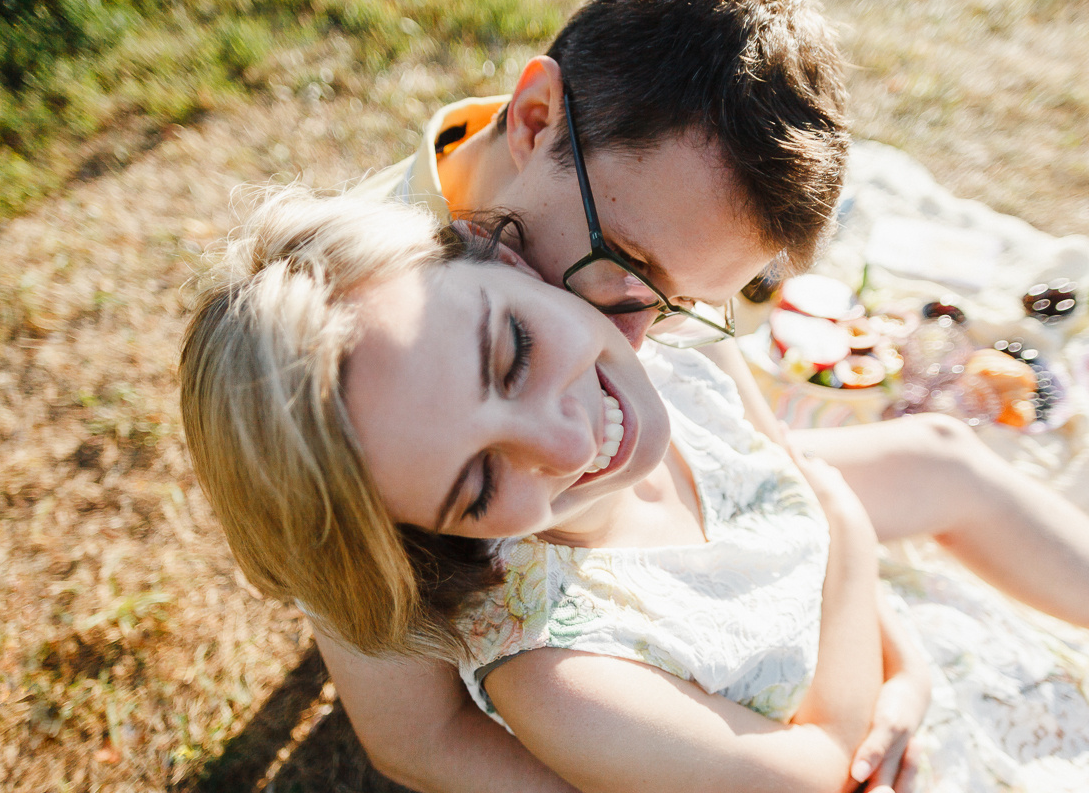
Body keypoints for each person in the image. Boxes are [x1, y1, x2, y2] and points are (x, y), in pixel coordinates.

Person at [179, 187, 1089, 792]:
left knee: (935, 450)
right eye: (480, 481)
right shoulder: (565, 683)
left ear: (493, 254)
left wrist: (906, 662)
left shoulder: (681, 358)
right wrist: (849, 537)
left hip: (880, 658)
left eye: (515, 352)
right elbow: (815, 769)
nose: (566, 439)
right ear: (424, 535)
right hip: (855, 757)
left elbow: (794, 499)